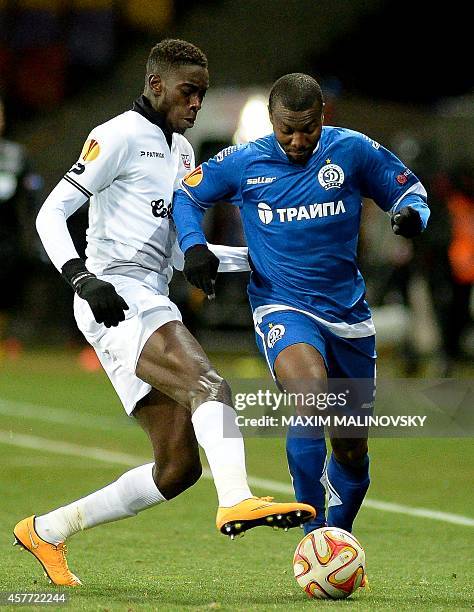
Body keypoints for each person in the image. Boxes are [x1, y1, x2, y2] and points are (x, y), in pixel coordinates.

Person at [12, 46, 315, 587]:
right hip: (116, 294)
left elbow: (179, 252)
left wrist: (254, 260)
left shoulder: (178, 149)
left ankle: (47, 530)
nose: (196, 102)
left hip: (150, 295)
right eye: (188, 91)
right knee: (210, 385)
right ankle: (237, 500)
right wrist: (82, 277)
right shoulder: (120, 135)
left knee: (177, 469)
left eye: (202, 92)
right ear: (156, 83)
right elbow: (51, 212)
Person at [173, 73, 430, 538]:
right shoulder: (244, 161)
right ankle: (312, 532)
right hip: (281, 305)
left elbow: (409, 189)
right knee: (308, 397)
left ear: (322, 118)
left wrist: (412, 215)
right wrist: (194, 246)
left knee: (351, 449)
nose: (296, 139)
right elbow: (187, 194)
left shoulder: (351, 151)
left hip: (348, 315)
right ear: (270, 120)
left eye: (307, 128)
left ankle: (338, 535)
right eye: (286, 128)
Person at [0, 97, 43, 350]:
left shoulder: (15, 155)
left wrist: (33, 233)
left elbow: (31, 194)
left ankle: (5, 336)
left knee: (6, 288)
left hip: (7, 235)